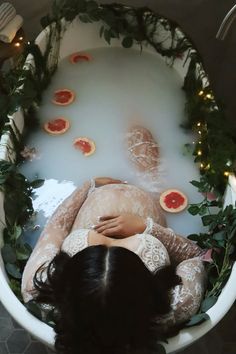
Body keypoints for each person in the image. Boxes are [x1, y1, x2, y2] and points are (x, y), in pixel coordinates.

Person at [21, 125, 206, 354]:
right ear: (144, 292)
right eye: (138, 251)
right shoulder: (172, 306)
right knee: (138, 130)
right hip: (153, 190)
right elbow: (198, 257)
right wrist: (147, 228)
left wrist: (88, 186)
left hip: (98, 190)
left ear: (69, 285)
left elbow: (56, 228)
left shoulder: (40, 290)